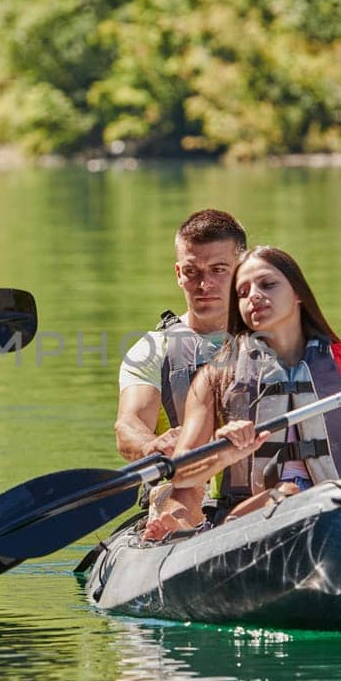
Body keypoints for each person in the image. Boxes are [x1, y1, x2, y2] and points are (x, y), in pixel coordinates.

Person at [144, 245, 341, 541]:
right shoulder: (215, 377)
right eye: (243, 293)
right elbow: (181, 473)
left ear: (298, 294)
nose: (254, 296)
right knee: (285, 495)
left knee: (299, 497)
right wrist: (225, 452)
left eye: (268, 284)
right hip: (249, 522)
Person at [115, 210, 246, 521]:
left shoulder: (276, 338)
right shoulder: (150, 349)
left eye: (218, 269)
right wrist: (152, 445)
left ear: (242, 269)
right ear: (177, 273)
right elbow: (128, 425)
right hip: (181, 500)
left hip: (258, 499)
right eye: (192, 271)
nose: (204, 284)